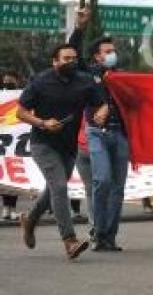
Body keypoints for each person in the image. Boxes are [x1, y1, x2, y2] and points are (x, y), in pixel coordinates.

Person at [18, 44, 108, 259]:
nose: (71, 62)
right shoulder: (40, 81)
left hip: (68, 146)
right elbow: (21, 112)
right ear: (55, 61)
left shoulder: (85, 81)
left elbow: (102, 103)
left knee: (52, 191)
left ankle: (30, 220)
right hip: (43, 143)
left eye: (74, 58)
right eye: (66, 58)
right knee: (59, 187)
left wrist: (102, 112)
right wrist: (42, 123)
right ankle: (70, 241)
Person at [69, 8, 129, 252]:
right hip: (97, 133)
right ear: (96, 57)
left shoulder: (123, 76)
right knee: (102, 180)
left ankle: (108, 237)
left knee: (118, 189)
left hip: (121, 135)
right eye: (107, 52)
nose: (112, 54)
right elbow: (72, 55)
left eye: (113, 51)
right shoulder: (88, 73)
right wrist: (79, 27)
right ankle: (97, 231)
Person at [2, 71, 23, 221]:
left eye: (11, 80)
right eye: (5, 80)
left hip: (16, 143)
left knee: (14, 179)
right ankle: (6, 209)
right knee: (5, 178)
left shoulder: (21, 96)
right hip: (4, 142)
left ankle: (11, 209)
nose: (8, 82)